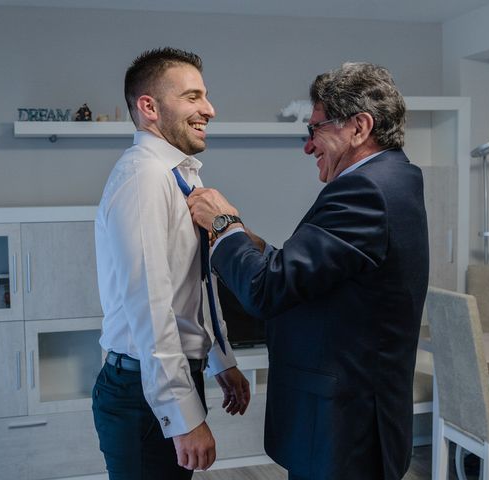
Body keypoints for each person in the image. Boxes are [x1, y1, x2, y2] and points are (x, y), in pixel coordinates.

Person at [187, 62, 429, 480]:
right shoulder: (396, 178)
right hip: (358, 420)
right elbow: (318, 270)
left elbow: (266, 290)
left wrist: (224, 225)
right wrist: (245, 238)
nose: (308, 146)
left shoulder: (365, 190)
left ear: (359, 126)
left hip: (345, 429)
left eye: (315, 130)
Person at [92, 47, 251, 480]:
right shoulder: (143, 177)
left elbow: (196, 283)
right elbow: (149, 303)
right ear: (149, 107)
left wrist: (221, 360)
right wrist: (182, 415)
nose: (210, 109)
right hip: (141, 391)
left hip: (170, 374)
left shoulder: (183, 176)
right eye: (193, 97)